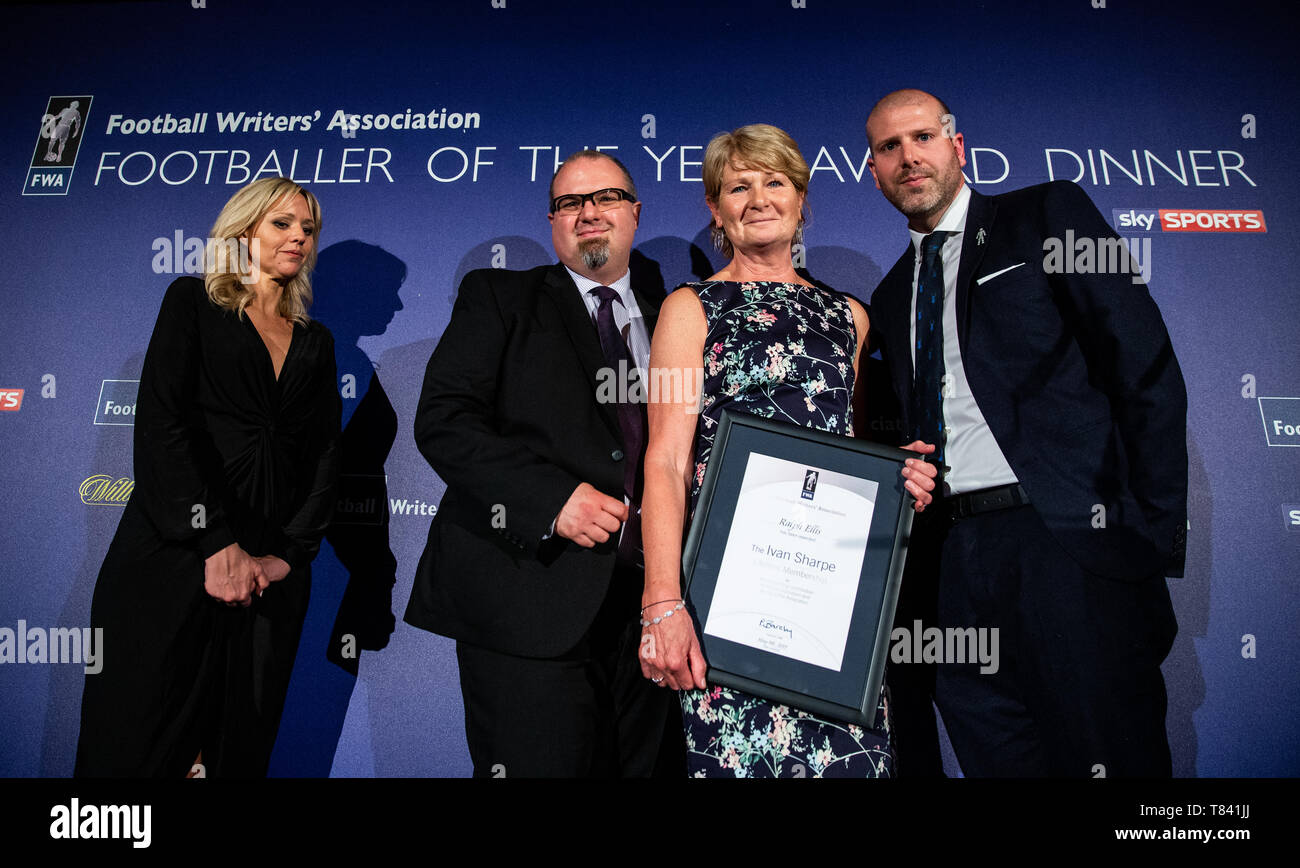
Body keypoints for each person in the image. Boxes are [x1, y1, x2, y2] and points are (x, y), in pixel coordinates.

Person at [864, 89, 1186, 776]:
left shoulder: (1044, 214)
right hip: (949, 566)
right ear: (872, 169)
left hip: (1065, 545)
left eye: (923, 136)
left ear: (957, 146)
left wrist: (1143, 540)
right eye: (889, 147)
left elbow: (1145, 368)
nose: (908, 156)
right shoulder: (892, 294)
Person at [638, 124, 937, 777]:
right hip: (727, 601)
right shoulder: (687, 310)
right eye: (737, 186)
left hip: (827, 605)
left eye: (774, 182)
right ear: (715, 209)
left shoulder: (849, 317)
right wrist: (661, 602)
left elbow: (850, 463)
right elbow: (663, 461)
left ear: (801, 198)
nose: (758, 198)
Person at [404, 151, 682, 777]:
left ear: (635, 212)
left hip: (655, 606)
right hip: (527, 594)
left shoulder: (682, 312)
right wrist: (551, 501)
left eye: (606, 197)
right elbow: (445, 421)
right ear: (552, 222)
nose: (588, 213)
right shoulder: (500, 296)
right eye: (569, 203)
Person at [76, 177, 340, 777]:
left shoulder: (316, 342)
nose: (298, 236)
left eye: (307, 227)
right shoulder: (192, 303)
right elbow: (162, 428)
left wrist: (289, 556)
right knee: (136, 745)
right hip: (172, 558)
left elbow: (325, 456)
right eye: (281, 223)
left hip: (265, 580)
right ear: (244, 230)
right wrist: (215, 541)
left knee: (233, 750)